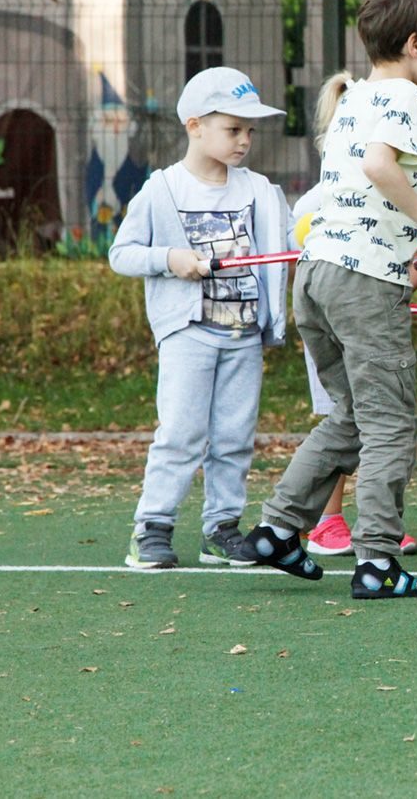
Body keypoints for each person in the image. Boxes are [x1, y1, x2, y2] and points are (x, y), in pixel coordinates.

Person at [245, 0, 417, 599]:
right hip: (364, 284)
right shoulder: (407, 98)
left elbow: (361, 190)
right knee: (391, 425)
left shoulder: (354, 98)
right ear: (415, 44)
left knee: (350, 415)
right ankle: (377, 561)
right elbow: (379, 167)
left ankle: (277, 528)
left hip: (316, 274)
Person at [110, 66, 291, 569]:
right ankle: (152, 528)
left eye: (250, 131)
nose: (245, 141)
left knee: (234, 437)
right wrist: (171, 259)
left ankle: (221, 529)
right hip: (189, 335)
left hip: (243, 335)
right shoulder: (162, 190)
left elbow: (288, 243)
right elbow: (121, 253)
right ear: (195, 126)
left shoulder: (258, 190)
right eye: (234, 129)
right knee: (181, 433)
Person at [290, 183, 417, 558]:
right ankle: (360, 538)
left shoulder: (389, 188)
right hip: (343, 296)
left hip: (328, 291)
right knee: (372, 421)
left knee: (358, 417)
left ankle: (280, 527)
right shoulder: (353, 179)